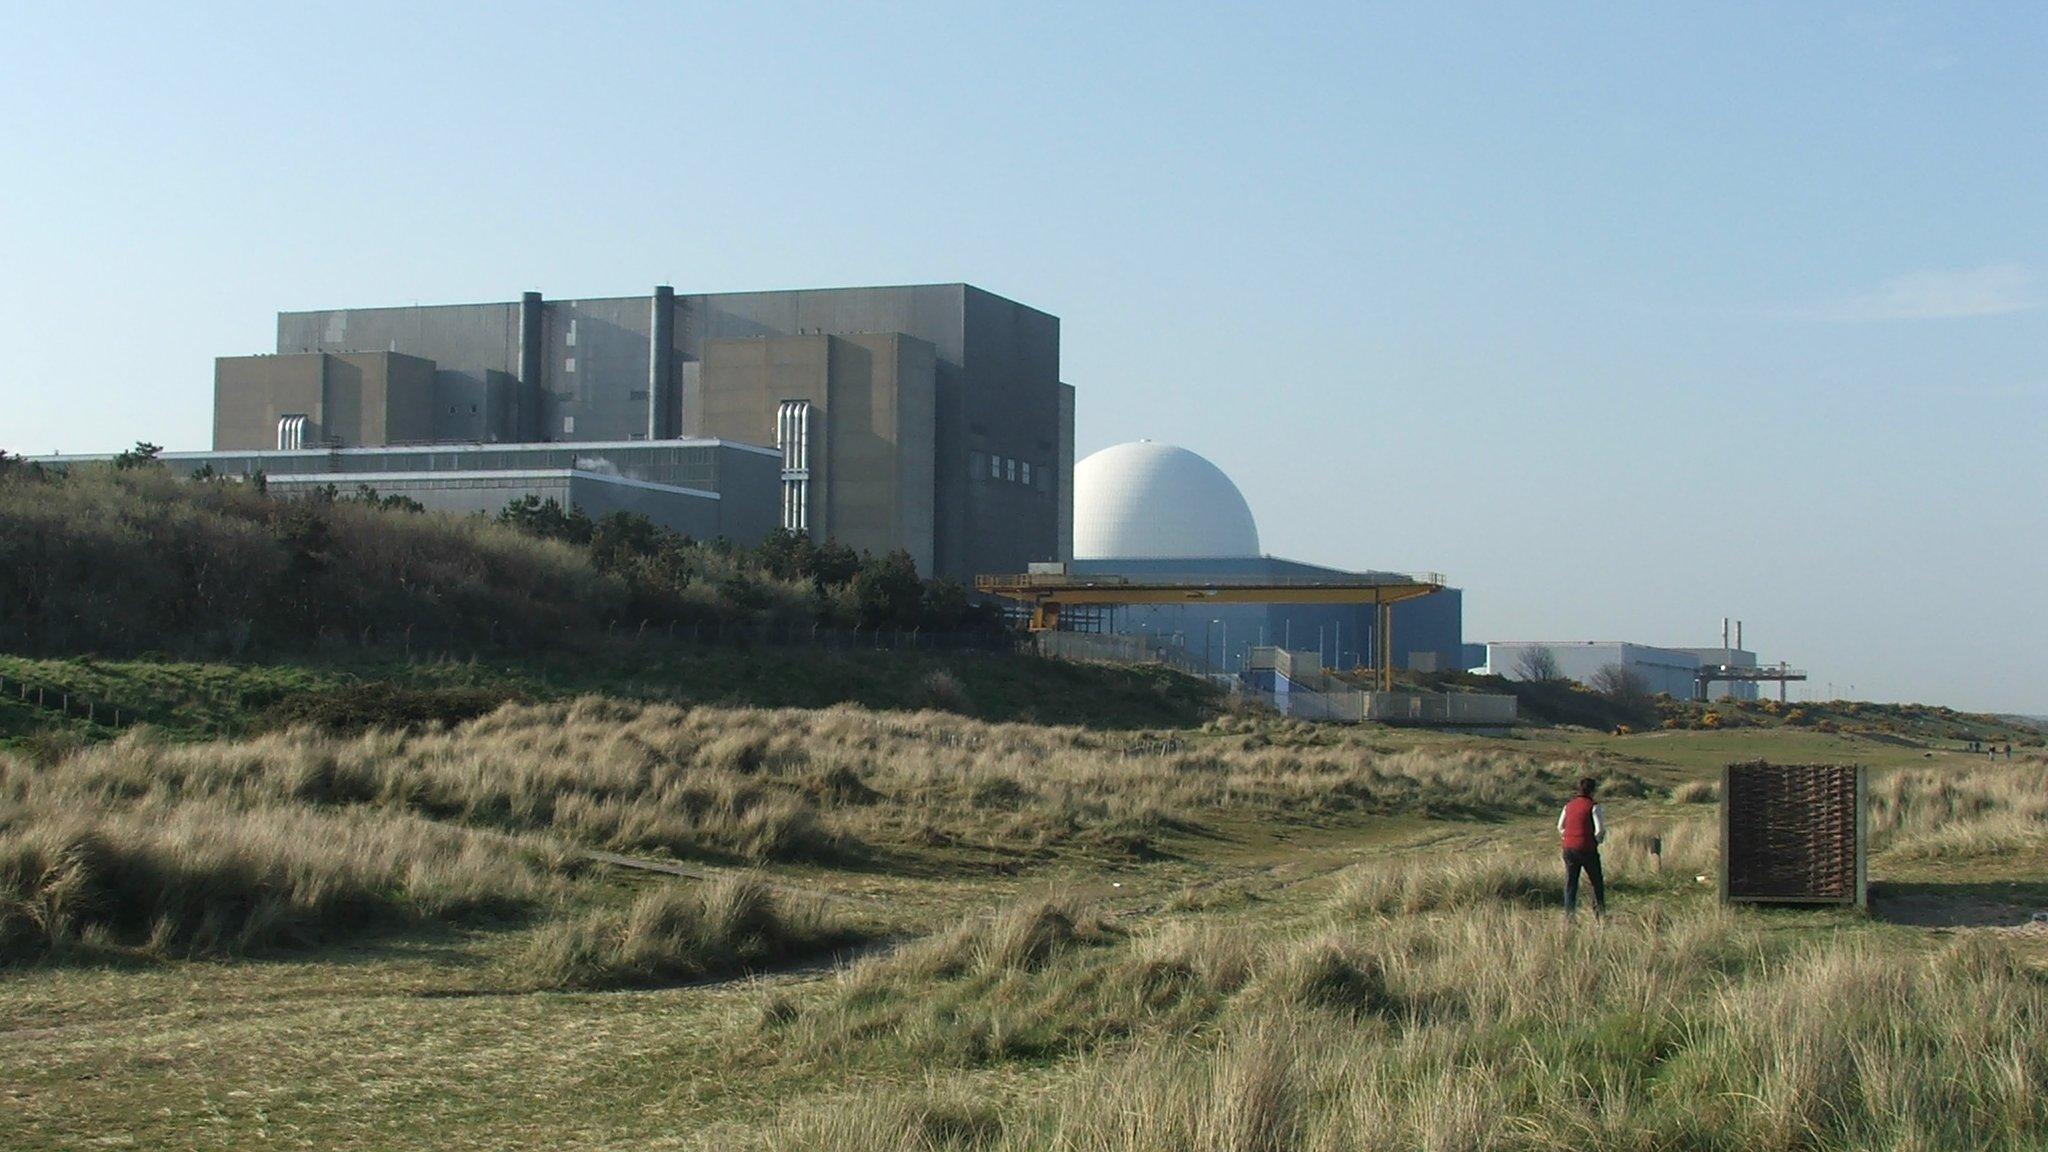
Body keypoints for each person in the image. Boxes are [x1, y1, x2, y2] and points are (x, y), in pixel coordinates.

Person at [1558, 776, 1607, 917]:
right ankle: (1599, 914)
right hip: (1587, 849)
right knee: (1596, 882)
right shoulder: (1593, 806)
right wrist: (1596, 841)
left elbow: (1560, 826)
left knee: (1570, 883)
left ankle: (1569, 915)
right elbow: (1599, 830)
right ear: (1592, 790)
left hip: (1569, 849)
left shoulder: (1568, 805)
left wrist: (1567, 837)